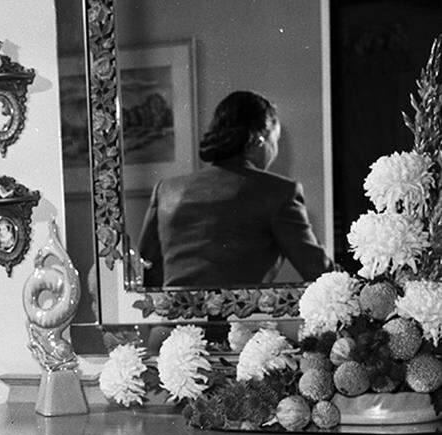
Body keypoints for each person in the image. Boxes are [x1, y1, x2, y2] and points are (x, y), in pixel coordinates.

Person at [137, 91, 332, 288]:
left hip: (175, 318)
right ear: (260, 138)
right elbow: (321, 274)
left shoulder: (166, 190)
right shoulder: (279, 192)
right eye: (276, 140)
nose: (275, 151)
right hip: (239, 318)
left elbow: (146, 273)